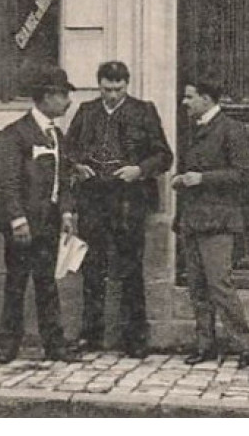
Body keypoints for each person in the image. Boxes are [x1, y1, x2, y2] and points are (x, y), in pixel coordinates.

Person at [65, 59, 172, 357]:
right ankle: (91, 334)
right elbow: (68, 150)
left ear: (127, 85)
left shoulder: (144, 111)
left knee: (130, 269)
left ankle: (135, 338)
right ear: (98, 85)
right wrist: (77, 166)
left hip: (128, 200)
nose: (112, 95)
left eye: (118, 89)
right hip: (93, 200)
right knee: (92, 268)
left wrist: (138, 170)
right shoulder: (86, 112)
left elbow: (164, 156)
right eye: (106, 89)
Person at [0, 67, 80, 364]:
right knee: (16, 283)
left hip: (50, 222)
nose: (67, 102)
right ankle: (8, 345)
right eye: (63, 95)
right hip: (24, 225)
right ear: (46, 98)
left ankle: (54, 346)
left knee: (47, 284)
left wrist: (67, 211)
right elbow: (8, 181)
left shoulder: (57, 134)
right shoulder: (15, 134)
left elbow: (64, 178)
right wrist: (17, 220)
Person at [174, 81, 249, 367]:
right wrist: (184, 180)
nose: (184, 102)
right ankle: (205, 344)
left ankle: (245, 345)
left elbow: (244, 174)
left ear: (206, 99)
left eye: (189, 97)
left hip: (219, 220)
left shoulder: (230, 129)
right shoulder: (196, 127)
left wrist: (202, 178)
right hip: (194, 218)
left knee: (220, 285)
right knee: (197, 287)